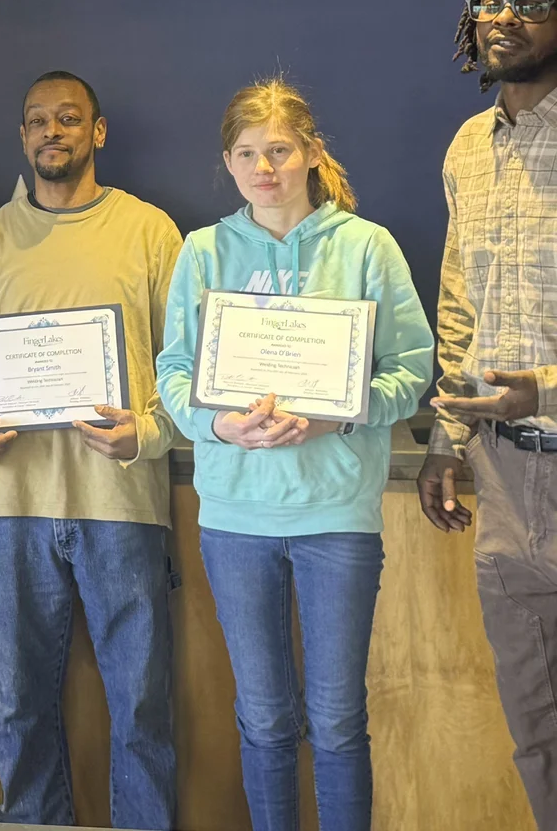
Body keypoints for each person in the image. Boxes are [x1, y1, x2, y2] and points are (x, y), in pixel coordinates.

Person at [157, 79, 431, 831]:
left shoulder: (366, 246)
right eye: (247, 153)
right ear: (228, 162)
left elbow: (412, 370)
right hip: (235, 517)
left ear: (311, 152)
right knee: (265, 718)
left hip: (336, 516)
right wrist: (222, 428)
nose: (264, 167)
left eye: (279, 149)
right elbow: (174, 373)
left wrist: (336, 415)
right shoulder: (203, 252)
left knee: (338, 719)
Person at [0, 71, 182, 829]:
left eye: (69, 119)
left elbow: (184, 362)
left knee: (141, 708)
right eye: (37, 120)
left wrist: (150, 431)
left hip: (122, 504)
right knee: (17, 707)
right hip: (10, 508)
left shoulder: (150, 231)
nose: (52, 132)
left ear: (97, 132)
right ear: (22, 136)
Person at [418, 0, 557, 827]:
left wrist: (540, 390)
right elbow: (458, 301)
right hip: (503, 483)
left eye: (530, 5)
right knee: (534, 720)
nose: (504, 18)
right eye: (489, 3)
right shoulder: (469, 147)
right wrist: (445, 439)